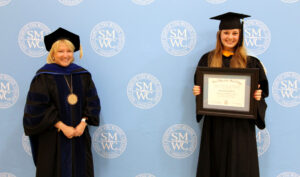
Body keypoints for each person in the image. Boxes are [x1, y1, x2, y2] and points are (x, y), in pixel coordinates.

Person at [193, 12, 268, 177]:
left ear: (240, 35)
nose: (230, 37)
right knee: (215, 164)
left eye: (235, 33)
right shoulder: (207, 60)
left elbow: (260, 96)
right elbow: (202, 92)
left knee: (240, 166)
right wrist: (198, 93)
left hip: (241, 127)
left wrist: (257, 98)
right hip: (215, 125)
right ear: (219, 35)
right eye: (226, 33)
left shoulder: (251, 63)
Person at [23, 27, 101, 177]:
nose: (65, 55)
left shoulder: (83, 75)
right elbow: (37, 110)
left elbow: (92, 103)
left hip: (79, 136)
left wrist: (83, 123)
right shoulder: (43, 77)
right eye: (60, 51)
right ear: (52, 54)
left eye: (69, 51)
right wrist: (62, 127)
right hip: (53, 138)